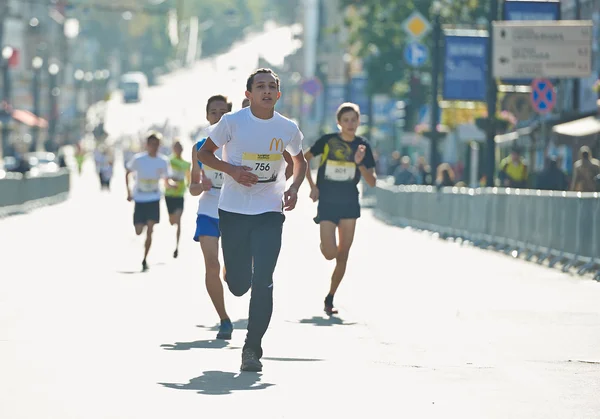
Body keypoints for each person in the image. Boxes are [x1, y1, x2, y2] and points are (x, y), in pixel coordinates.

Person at [197, 68, 307, 372]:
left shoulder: (287, 128)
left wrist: (295, 187)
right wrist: (232, 171)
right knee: (237, 284)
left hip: (270, 211)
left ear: (279, 95)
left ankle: (252, 349)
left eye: (272, 87)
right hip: (233, 210)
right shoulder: (231, 123)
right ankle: (234, 272)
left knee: (264, 282)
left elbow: (300, 161)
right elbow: (205, 154)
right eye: (261, 86)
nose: (267, 91)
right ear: (249, 94)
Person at [304, 102, 376, 316]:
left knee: (343, 256)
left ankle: (330, 297)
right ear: (339, 122)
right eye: (346, 120)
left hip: (349, 203)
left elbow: (372, 182)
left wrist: (359, 163)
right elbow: (304, 159)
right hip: (327, 201)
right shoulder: (328, 141)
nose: (350, 124)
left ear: (359, 121)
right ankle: (325, 245)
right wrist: (312, 186)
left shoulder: (363, 146)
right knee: (330, 253)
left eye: (354, 120)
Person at [190, 94, 234, 340]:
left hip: (234, 211)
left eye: (222, 112)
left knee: (233, 272)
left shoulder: (238, 144)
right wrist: (202, 185)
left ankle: (234, 269)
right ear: (207, 116)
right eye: (213, 112)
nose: (217, 116)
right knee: (212, 265)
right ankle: (224, 319)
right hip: (208, 211)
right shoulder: (198, 147)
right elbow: (192, 188)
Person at [126, 132, 175, 272]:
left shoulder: (163, 161)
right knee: (138, 230)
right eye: (151, 144)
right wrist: (129, 192)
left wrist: (173, 185)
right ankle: (141, 240)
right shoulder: (138, 159)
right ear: (147, 145)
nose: (154, 147)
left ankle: (144, 259)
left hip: (153, 198)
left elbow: (166, 181)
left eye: (156, 144)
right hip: (140, 198)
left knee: (150, 230)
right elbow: (127, 172)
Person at [241, 97, 295, 180]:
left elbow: (293, 163)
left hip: (266, 191)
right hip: (240, 190)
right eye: (246, 109)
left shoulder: (274, 136)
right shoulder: (234, 134)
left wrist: (278, 182)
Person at [165, 140, 191, 258]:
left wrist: (190, 186)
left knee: (179, 220)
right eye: (176, 147)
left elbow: (189, 178)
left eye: (180, 146)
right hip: (169, 194)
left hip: (180, 194)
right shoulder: (169, 161)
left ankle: (177, 247)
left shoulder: (186, 163)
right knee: (172, 221)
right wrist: (170, 183)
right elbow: (165, 176)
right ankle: (172, 219)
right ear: (173, 148)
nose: (178, 149)